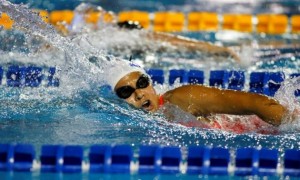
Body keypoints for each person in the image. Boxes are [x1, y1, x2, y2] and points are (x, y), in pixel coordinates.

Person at [106, 60, 290, 133]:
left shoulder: (182, 97)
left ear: (151, 83)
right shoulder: (142, 121)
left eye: (141, 83)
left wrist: (292, 124)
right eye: (126, 92)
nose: (139, 94)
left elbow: (259, 103)